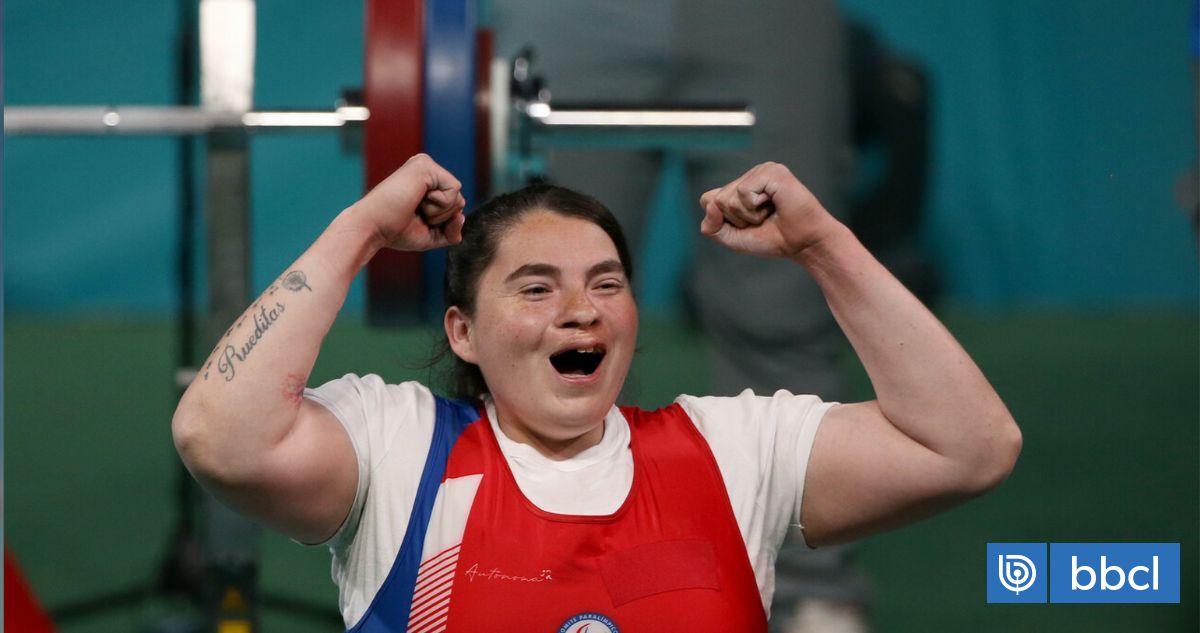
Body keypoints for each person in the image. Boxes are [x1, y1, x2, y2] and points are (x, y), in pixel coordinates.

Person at [172, 154, 1021, 631]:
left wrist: (825, 246)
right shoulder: (398, 447)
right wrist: (358, 231)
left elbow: (970, 446)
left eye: (606, 283)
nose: (581, 309)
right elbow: (218, 434)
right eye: (536, 288)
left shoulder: (732, 451)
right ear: (463, 331)